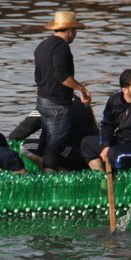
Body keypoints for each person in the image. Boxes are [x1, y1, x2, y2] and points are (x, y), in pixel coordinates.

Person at [33, 10, 92, 172]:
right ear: (71, 30)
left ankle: (40, 170)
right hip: (57, 103)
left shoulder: (42, 46)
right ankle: (49, 175)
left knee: (45, 138)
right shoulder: (61, 47)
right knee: (55, 143)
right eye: (75, 31)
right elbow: (61, 75)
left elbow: (38, 76)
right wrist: (81, 88)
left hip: (42, 99)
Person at [80, 69, 131, 179]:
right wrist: (105, 146)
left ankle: (122, 183)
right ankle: (103, 180)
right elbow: (106, 125)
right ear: (125, 90)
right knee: (87, 144)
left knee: (115, 155)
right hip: (123, 140)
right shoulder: (114, 99)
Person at [8, 95, 98, 171]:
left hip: (72, 158)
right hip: (90, 154)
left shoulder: (47, 104)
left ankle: (57, 170)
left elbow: (18, 134)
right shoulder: (78, 100)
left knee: (25, 146)